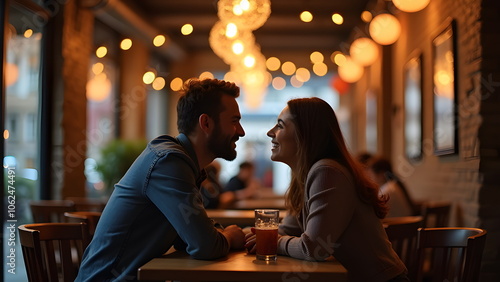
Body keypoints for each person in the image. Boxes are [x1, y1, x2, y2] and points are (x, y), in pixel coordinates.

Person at [76, 78, 246, 281]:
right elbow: (205, 245)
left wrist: (216, 234)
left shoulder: (181, 162)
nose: (241, 131)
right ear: (206, 123)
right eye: (234, 121)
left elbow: (191, 235)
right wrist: (229, 236)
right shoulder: (170, 162)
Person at [245, 97, 409, 282]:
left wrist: (274, 242)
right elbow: (287, 229)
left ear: (305, 133)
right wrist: (233, 237)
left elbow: (314, 248)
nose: (270, 132)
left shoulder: (327, 171)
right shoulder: (305, 175)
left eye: (280, 125)